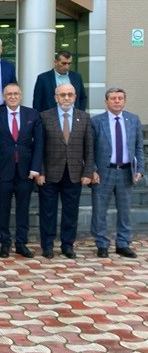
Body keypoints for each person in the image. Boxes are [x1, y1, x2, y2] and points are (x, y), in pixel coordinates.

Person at [37, 84, 94, 259]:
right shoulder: (44, 117)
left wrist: (88, 172)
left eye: (70, 94)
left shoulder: (84, 117)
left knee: (71, 212)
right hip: (49, 174)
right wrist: (40, 172)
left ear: (75, 97)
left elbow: (89, 148)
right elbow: (39, 148)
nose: (66, 98)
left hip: (74, 173)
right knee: (48, 212)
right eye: (62, 95)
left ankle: (67, 245)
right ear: (56, 97)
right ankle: (47, 245)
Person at [0, 83, 43, 258]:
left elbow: (39, 144)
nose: (12, 97)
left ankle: (21, 243)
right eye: (9, 94)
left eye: (15, 94)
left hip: (25, 172)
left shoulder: (32, 114)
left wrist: (35, 167)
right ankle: (5, 243)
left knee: (23, 209)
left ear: (21, 95)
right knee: (3, 209)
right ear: (3, 97)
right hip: (2, 171)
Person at [91, 88, 145, 258]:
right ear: (106, 101)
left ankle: (123, 243)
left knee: (125, 211)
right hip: (103, 173)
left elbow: (139, 147)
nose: (116, 101)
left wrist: (140, 169)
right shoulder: (96, 121)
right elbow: (89, 149)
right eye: (113, 98)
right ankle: (102, 244)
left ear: (124, 101)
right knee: (99, 210)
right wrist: (92, 169)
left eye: (120, 98)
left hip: (126, 172)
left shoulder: (133, 119)